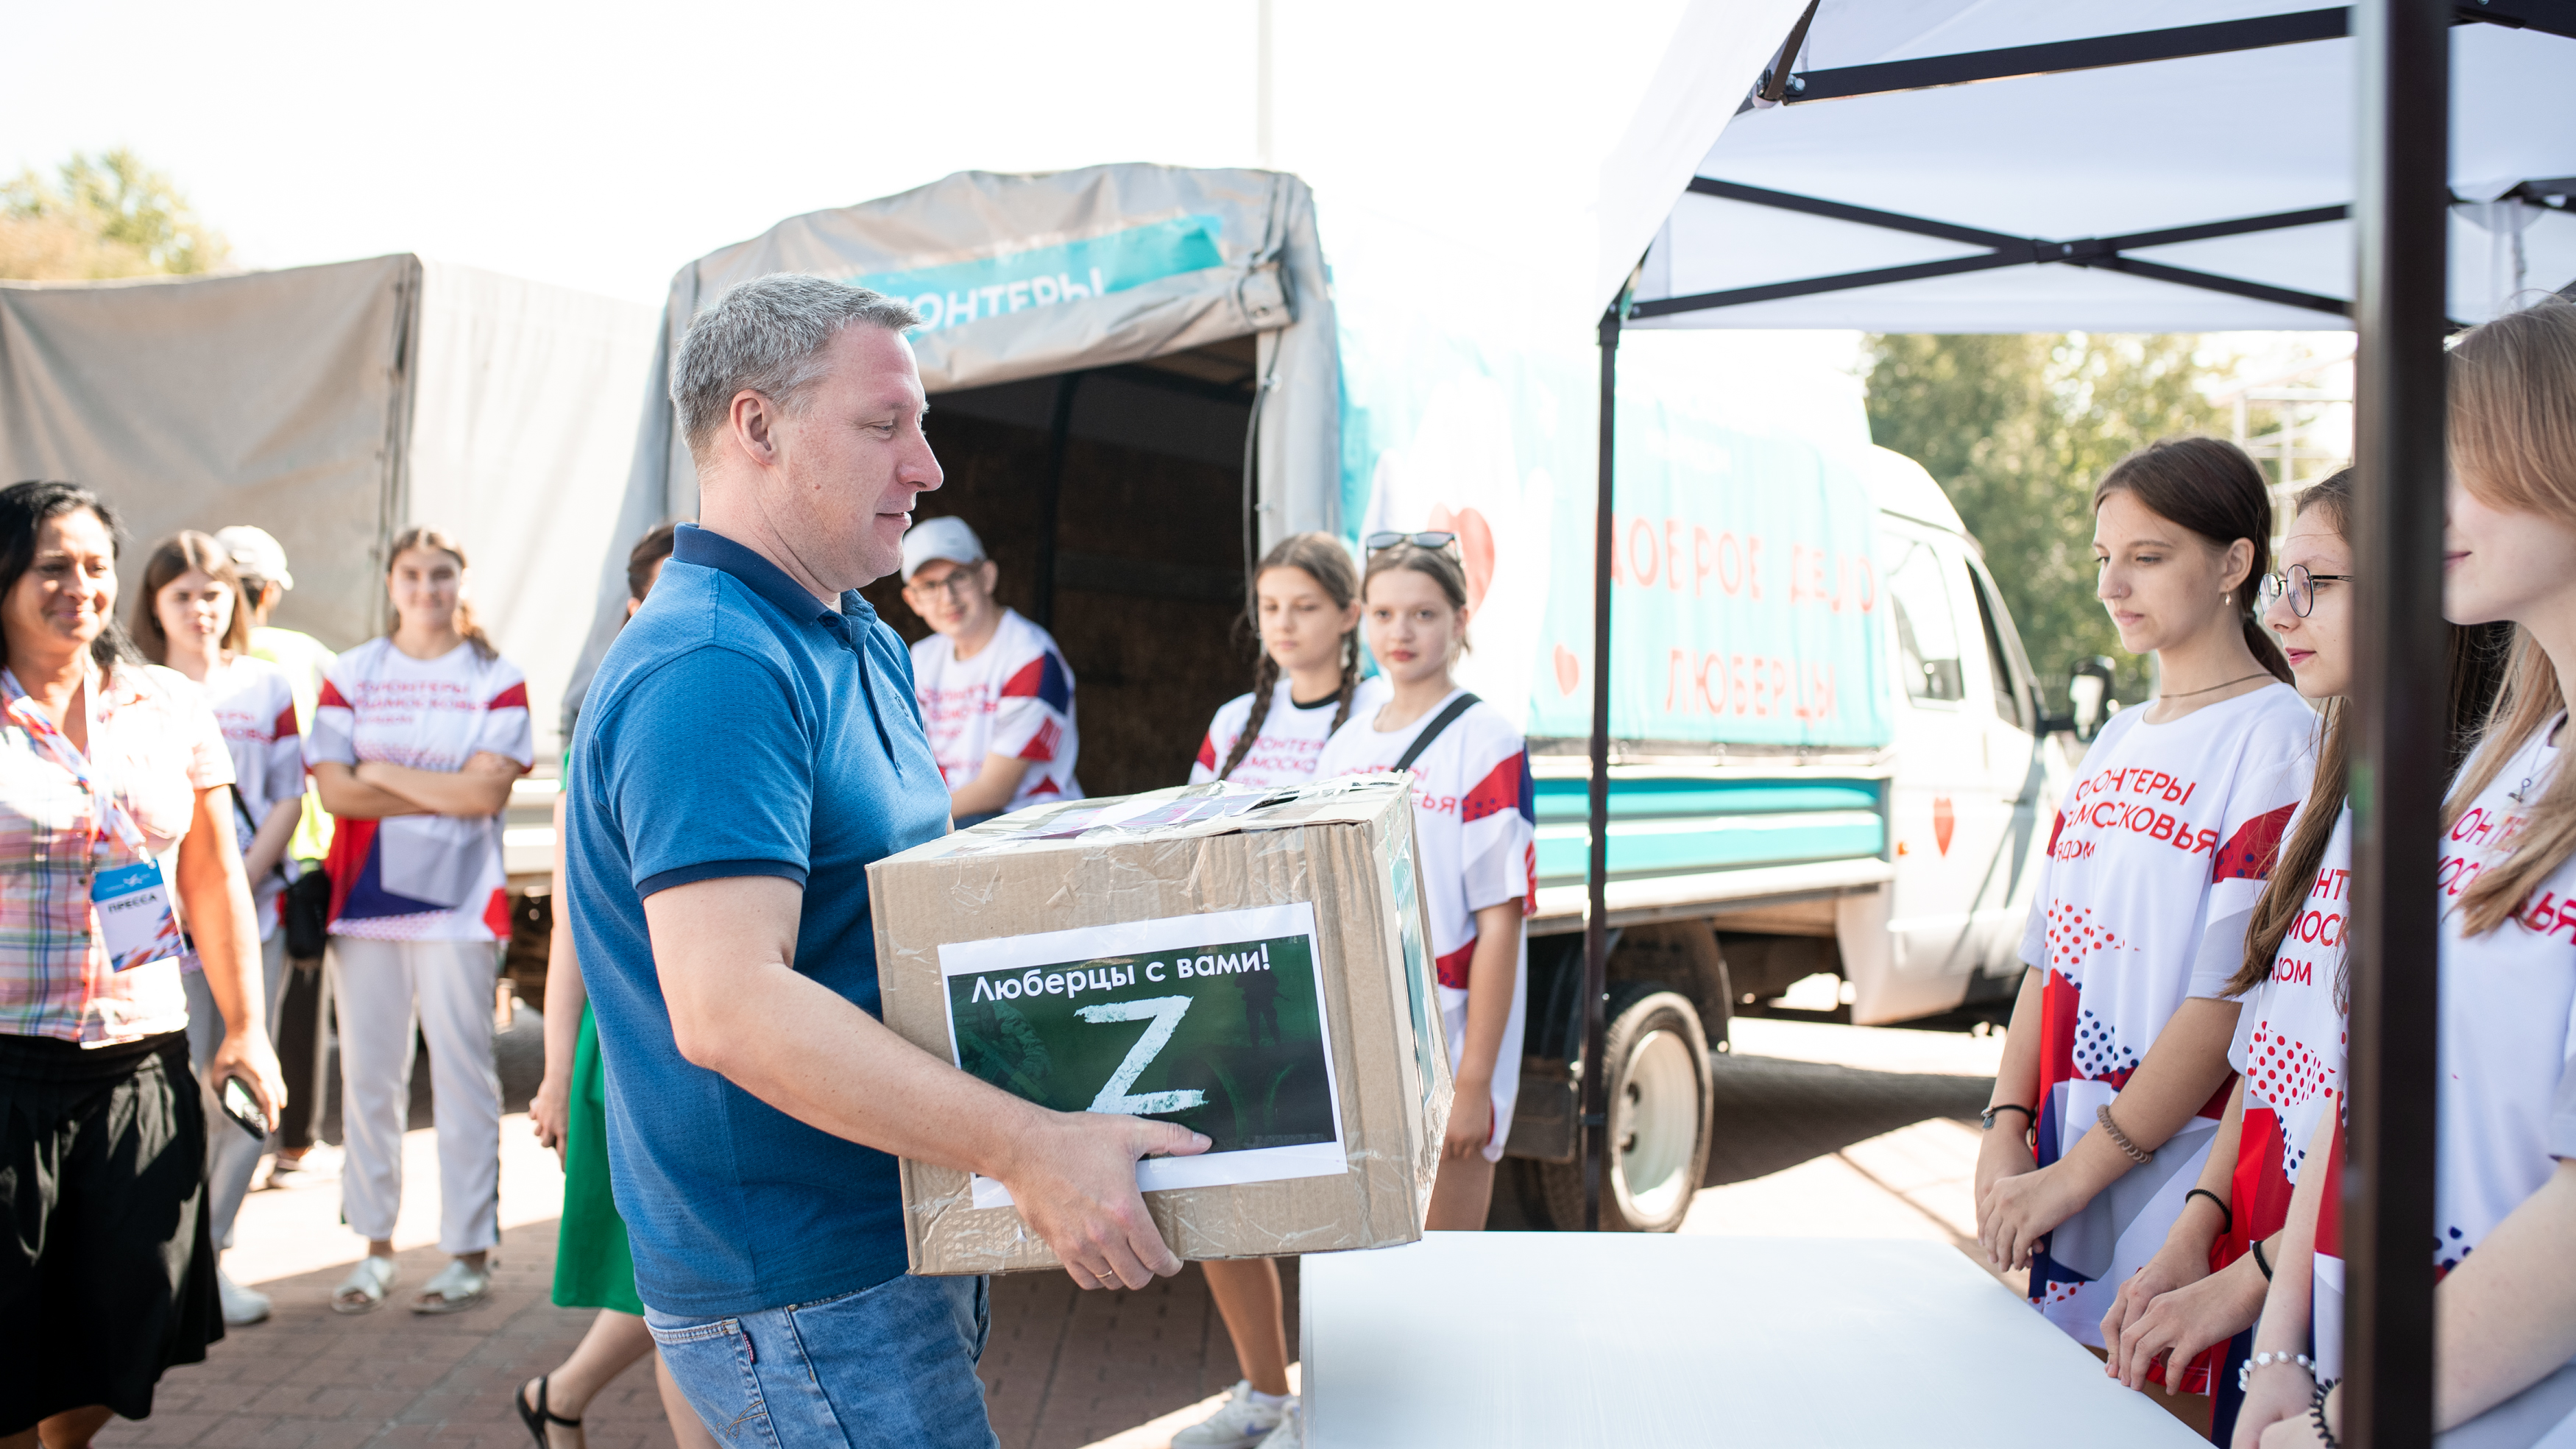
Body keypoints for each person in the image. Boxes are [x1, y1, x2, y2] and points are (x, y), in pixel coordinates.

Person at [565, 274, 1206, 1449]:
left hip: (891, 1235)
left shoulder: (855, 635)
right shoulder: (713, 666)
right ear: (757, 426)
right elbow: (730, 1007)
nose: (929, 466)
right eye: (884, 426)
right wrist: (1027, 1148)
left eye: (921, 424)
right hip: (806, 1286)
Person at [2095, 471, 2508, 1444]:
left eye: (2314, 583)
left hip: (2359, 1287)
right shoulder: (2340, 788)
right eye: (2284, 582)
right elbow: (2271, 1046)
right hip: (2271, 1260)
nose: (2280, 611)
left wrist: (2253, 1276)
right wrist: (2201, 1222)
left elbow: (2407, 1113)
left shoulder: (2470, 819)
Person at [2239, 295, 2576, 1448]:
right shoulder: (2504, 763)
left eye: (2459, 462)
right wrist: (2285, 1350)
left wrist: (2348, 1418)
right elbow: (2363, 1074)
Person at [1973, 437, 2314, 1436]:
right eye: (2103, 558)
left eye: (2147, 557)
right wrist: (2003, 1127)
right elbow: (2050, 957)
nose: (2111, 586)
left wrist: (2072, 1177)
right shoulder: (2118, 735)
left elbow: (2228, 1002)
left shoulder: (2278, 738)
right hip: (2064, 1177)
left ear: (2235, 562)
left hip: (2175, 1194)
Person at [0, 481, 284, 1449]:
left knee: (129, 1304)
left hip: (138, 1056)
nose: (79, 585)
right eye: (52, 566)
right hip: (9, 1063)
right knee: (7, 1326)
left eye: (95, 565)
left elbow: (212, 875)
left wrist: (245, 1027)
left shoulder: (166, 702)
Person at [1175, 532, 1384, 1449]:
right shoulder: (1233, 720)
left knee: (1337, 1214)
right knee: (1221, 1197)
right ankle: (1265, 1393)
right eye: (1269, 608)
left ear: (1348, 615)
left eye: (1305, 606)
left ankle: (1341, 1414)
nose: (1284, 625)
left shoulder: (1378, 714)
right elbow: (1184, 843)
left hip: (1336, 991)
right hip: (1235, 991)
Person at [519, 521, 714, 1449]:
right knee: (687, 1290)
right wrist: (557, 1072)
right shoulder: (601, 738)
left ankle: (557, 1398)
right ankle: (557, 1398)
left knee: (676, 1277)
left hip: (725, 1036)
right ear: (634, 609)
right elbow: (573, 927)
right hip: (636, 1041)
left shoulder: (736, 703)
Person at [309, 527, 533, 1316]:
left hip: (461, 905)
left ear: (459, 582)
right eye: (412, 574)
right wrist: (441, 787)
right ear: (391, 581)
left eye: (441, 574)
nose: (427, 588)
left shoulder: (496, 675)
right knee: (369, 1076)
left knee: (464, 1073)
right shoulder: (351, 671)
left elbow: (485, 796)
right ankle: (373, 1247)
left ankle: (469, 1250)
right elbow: (335, 793)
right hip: (364, 902)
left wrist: (382, 771)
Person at [1315, 532, 1534, 1236]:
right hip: (1358, 1034)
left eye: (1424, 614)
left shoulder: (1488, 739)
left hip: (1449, 1036)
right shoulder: (1345, 744)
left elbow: (1501, 922)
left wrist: (1473, 1085)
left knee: (1442, 1267)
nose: (1400, 632)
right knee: (1360, 1270)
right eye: (1384, 614)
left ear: (1460, 620)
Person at [132, 531, 307, 1331]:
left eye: (214, 592)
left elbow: (288, 796)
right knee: (172, 1084)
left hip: (250, 915)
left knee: (245, 1082)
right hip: (156, 932)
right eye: (183, 595)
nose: (201, 608)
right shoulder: (130, 688)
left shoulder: (267, 685)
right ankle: (161, 1256)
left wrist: (232, 880)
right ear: (154, 605)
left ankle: (212, 1252)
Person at [215, 523, 337, 1183]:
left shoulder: (185, 664)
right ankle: (295, 1145)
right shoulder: (301, 653)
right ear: (270, 592)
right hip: (296, 861)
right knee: (294, 1008)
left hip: (223, 872)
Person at [898, 515, 1080, 824]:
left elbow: (995, 790)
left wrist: (902, 824)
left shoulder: (1031, 657)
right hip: (953, 818)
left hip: (1028, 826)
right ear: (913, 600)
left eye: (958, 577)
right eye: (929, 586)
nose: (948, 598)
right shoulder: (920, 658)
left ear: (987, 577)